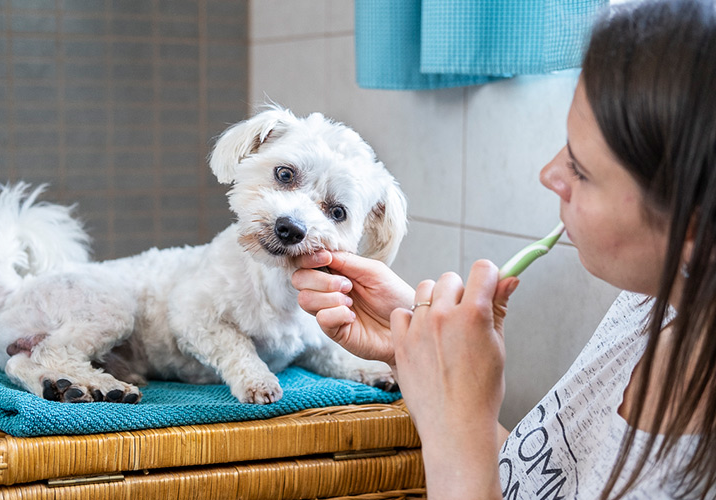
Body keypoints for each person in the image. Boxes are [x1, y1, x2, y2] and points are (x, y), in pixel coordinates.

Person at [291, 0, 716, 498]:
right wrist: (418, 353)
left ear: (693, 224)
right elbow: (541, 483)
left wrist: (459, 428)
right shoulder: (649, 308)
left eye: (581, 168)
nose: (550, 175)